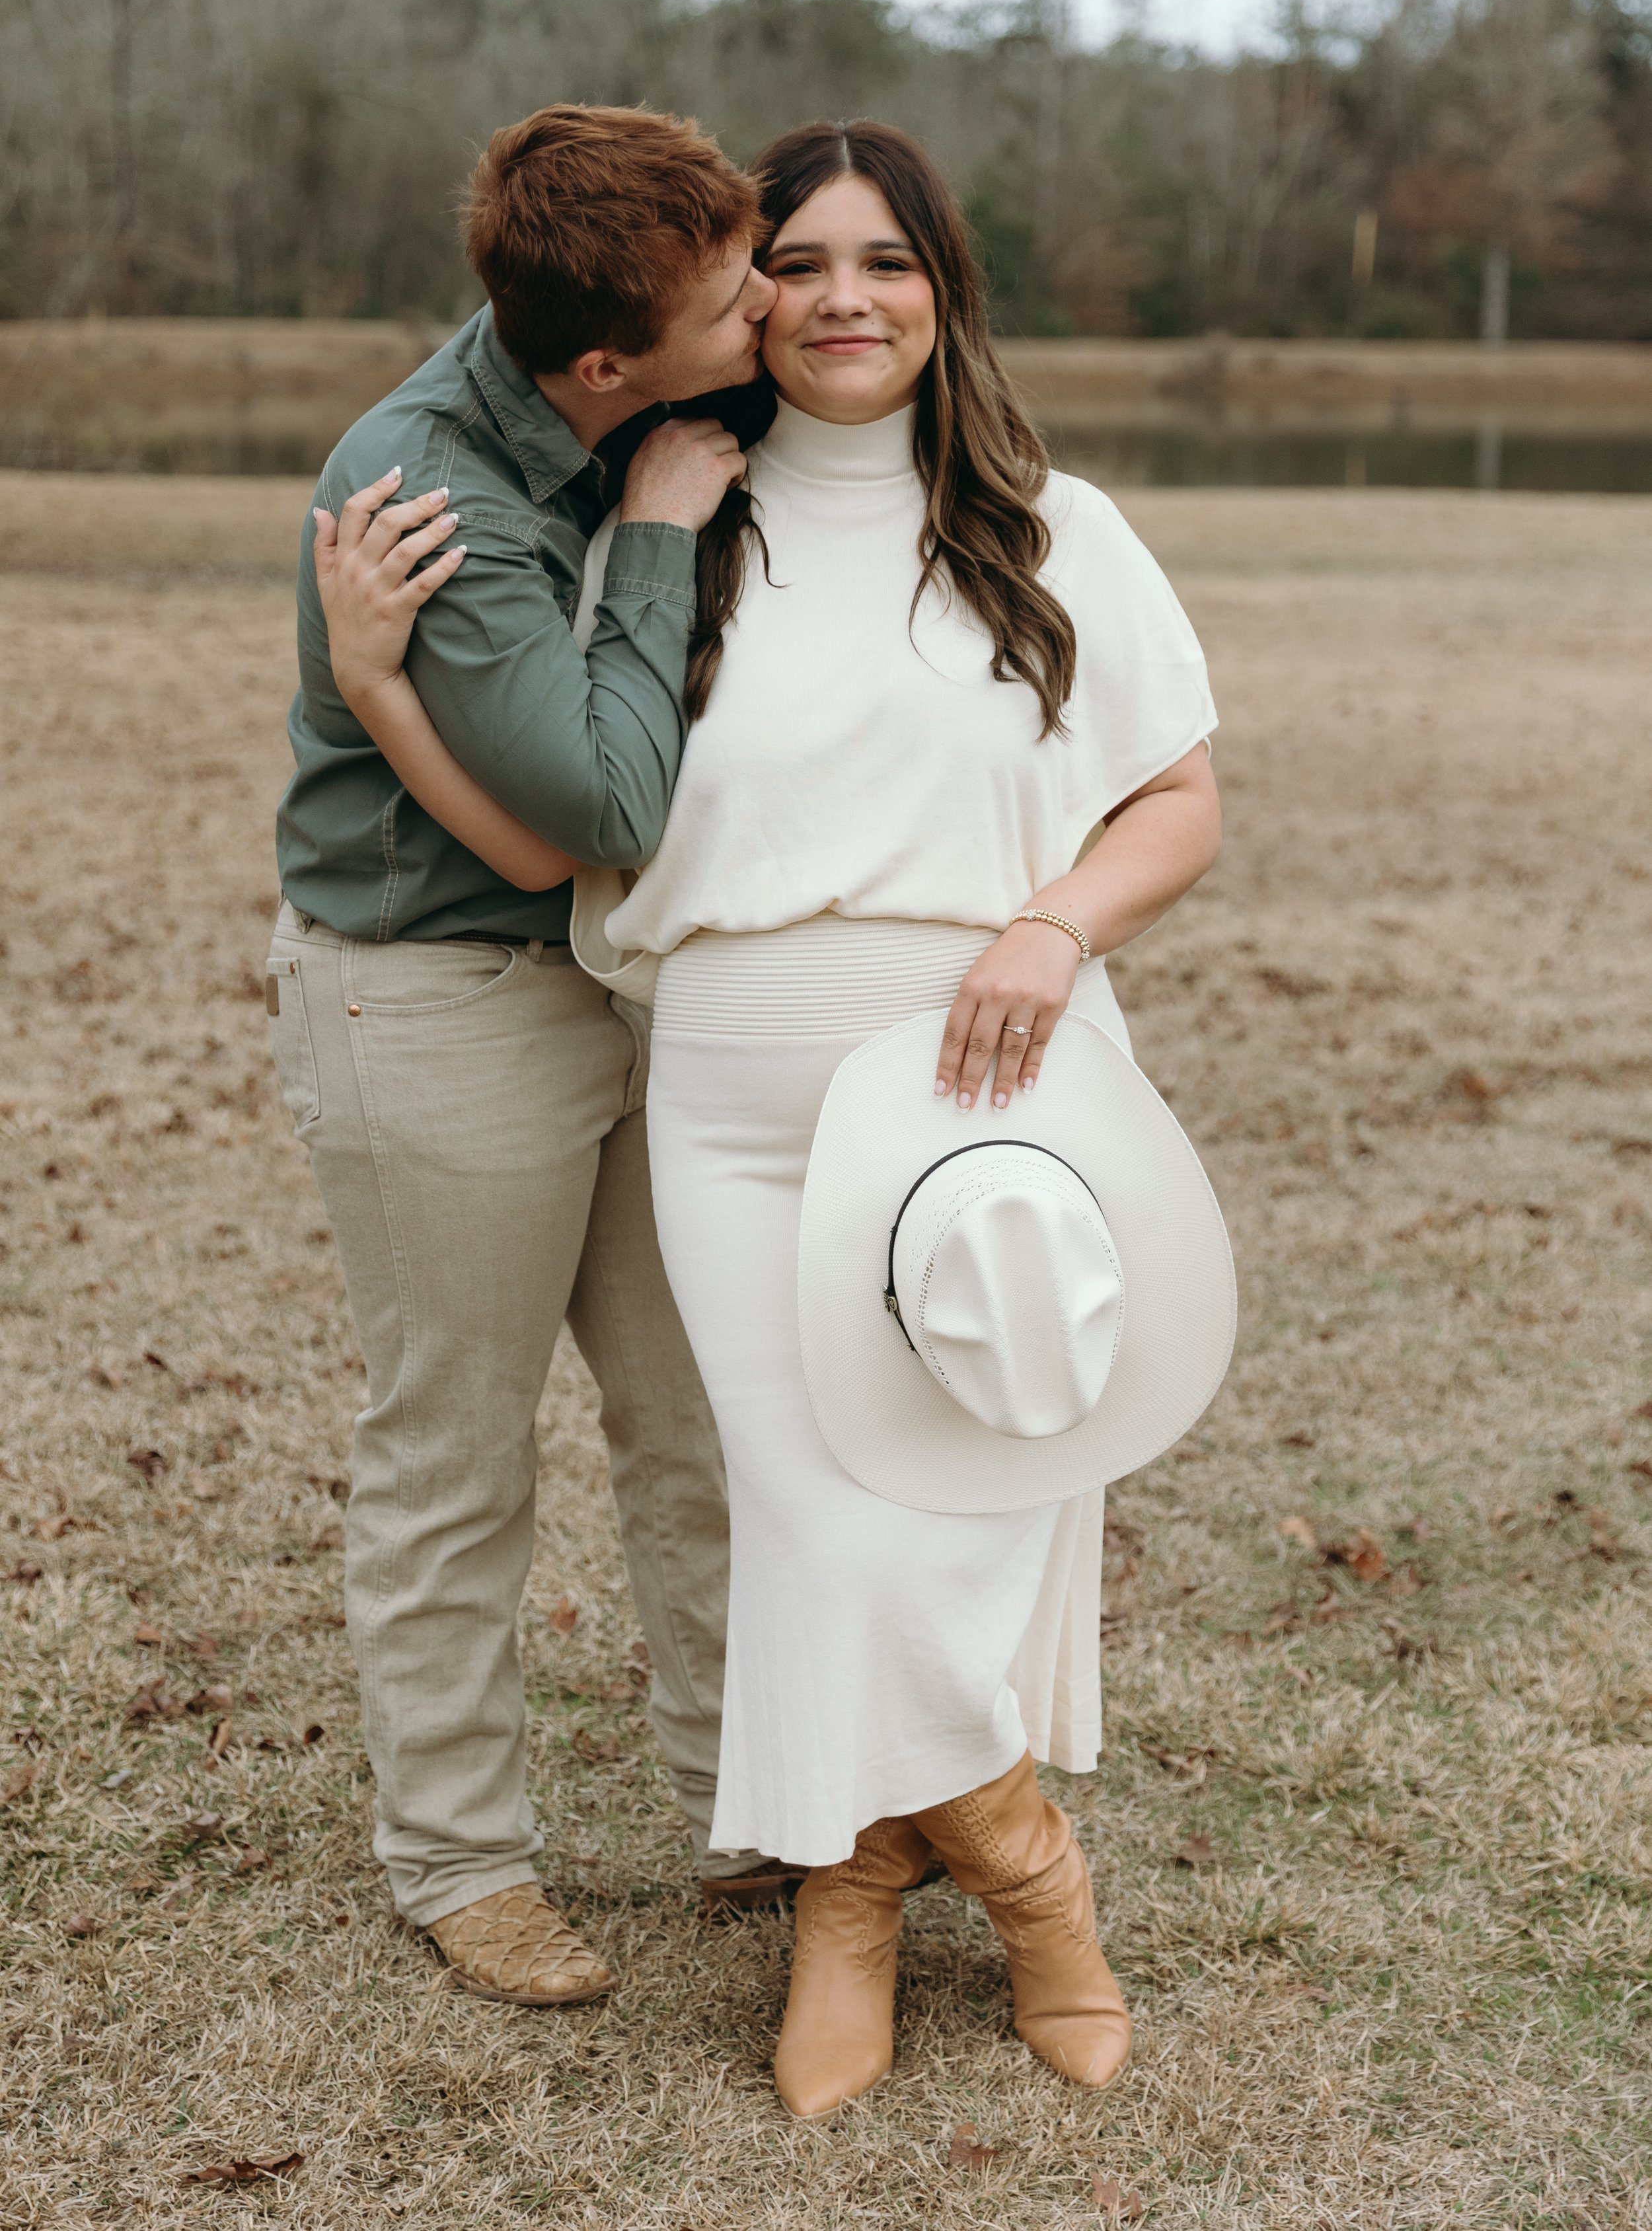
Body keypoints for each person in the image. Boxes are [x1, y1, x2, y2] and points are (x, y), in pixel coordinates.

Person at [316, 120, 1222, 2109]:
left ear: (942, 288)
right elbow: (577, 832)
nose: (835, 300)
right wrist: (382, 688)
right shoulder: (658, 523)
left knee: (961, 1496)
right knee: (807, 1506)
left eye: (882, 261)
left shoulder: (1055, 528)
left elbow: (1177, 801)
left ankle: (865, 1890)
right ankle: (990, 1876)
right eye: (794, 265)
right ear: (739, 305)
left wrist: (1054, 926)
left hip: (990, 1084)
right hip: (731, 1095)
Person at [266, 102, 794, 2014]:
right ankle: (460, 1862)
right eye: (733, 300)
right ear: (603, 365)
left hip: (627, 989)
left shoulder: (654, 390)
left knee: (702, 1411)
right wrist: (651, 541)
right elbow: (604, 804)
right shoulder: (434, 507)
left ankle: (758, 1809)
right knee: (457, 1451)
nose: (767, 312)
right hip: (438, 999)